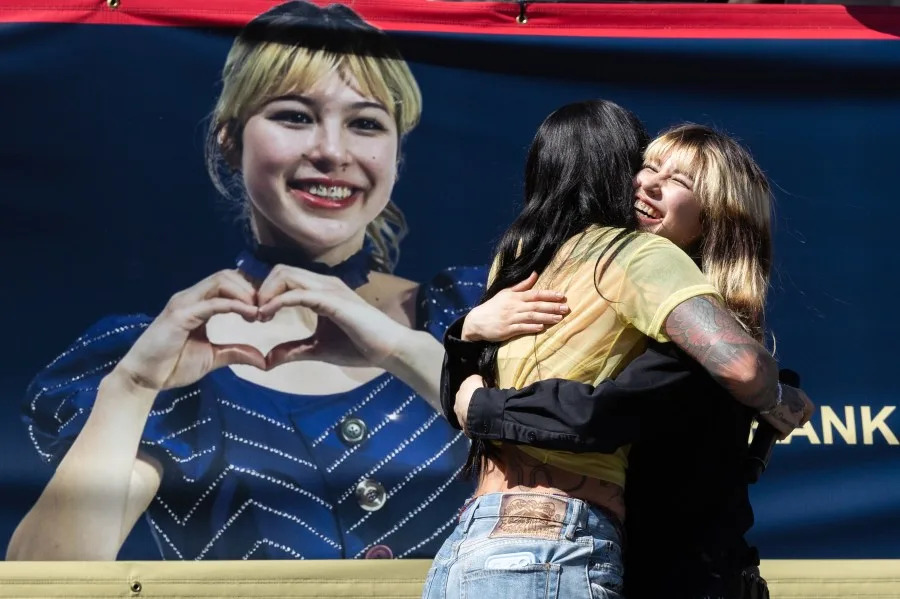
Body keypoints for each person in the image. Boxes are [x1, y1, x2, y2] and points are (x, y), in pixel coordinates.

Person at [8, 0, 484, 561]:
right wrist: (132, 388)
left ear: (397, 155)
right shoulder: (172, 356)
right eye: (295, 116)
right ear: (228, 141)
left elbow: (577, 491)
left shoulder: (472, 315)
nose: (332, 151)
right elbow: (45, 581)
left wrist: (410, 352)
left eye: (365, 123)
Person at [422, 111, 811, 599]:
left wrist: (483, 408)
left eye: (677, 180)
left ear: (716, 216)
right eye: (647, 166)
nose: (647, 184)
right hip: (527, 551)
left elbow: (599, 414)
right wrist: (468, 331)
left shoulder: (689, 334)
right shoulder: (591, 279)